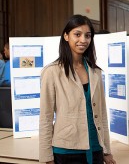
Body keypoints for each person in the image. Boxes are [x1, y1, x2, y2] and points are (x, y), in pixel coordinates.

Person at [39, 14, 116, 164]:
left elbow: (102, 115)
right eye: (77, 34)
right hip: (66, 150)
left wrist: (106, 150)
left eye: (88, 36)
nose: (83, 40)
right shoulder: (52, 72)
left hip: (96, 148)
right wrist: (46, 158)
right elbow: (45, 118)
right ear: (66, 36)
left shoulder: (95, 72)